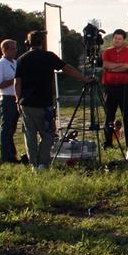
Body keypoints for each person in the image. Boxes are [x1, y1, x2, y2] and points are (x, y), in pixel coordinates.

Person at [13, 29, 92, 171]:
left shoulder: (21, 59)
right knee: (48, 135)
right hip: (44, 103)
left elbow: (17, 83)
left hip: (26, 104)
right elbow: (67, 69)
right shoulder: (49, 57)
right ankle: (43, 163)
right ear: (42, 42)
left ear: (28, 43)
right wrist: (84, 79)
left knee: (30, 135)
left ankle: (33, 164)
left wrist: (17, 100)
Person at [101, 29, 128, 148]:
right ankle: (108, 143)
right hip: (110, 88)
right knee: (109, 116)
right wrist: (117, 67)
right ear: (113, 39)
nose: (117, 41)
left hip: (125, 88)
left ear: (124, 40)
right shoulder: (107, 52)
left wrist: (112, 68)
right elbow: (105, 65)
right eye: (115, 38)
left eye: (119, 39)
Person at [0, 39, 20, 163]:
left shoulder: (15, 62)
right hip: (7, 98)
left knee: (12, 128)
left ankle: (12, 154)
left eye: (15, 48)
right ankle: (6, 156)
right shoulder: (0, 64)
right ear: (5, 50)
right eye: (12, 49)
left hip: (16, 98)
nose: (15, 51)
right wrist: (12, 81)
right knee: (6, 128)